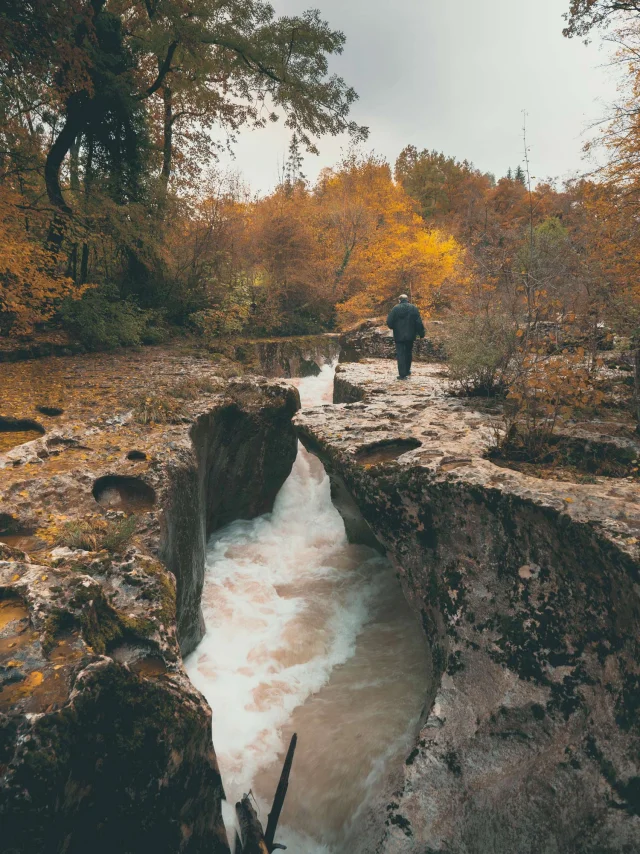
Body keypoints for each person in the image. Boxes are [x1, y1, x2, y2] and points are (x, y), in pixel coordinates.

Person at [386, 294, 425, 380]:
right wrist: (421, 333)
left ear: (399, 300)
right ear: (407, 300)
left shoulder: (395, 309)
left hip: (399, 335)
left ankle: (402, 374)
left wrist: (394, 327)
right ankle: (407, 370)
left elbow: (389, 321)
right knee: (408, 352)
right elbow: (418, 322)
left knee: (400, 354)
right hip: (410, 335)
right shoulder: (413, 308)